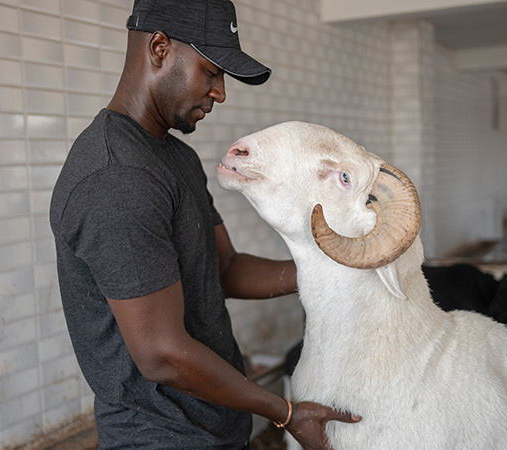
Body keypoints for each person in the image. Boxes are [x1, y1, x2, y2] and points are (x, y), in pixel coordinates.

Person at [49, 0, 361, 448]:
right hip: (159, 439)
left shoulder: (175, 157)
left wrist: (328, 270)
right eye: (211, 72)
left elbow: (224, 267)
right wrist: (284, 411)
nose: (220, 92)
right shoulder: (116, 178)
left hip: (216, 429)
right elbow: (162, 355)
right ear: (159, 48)